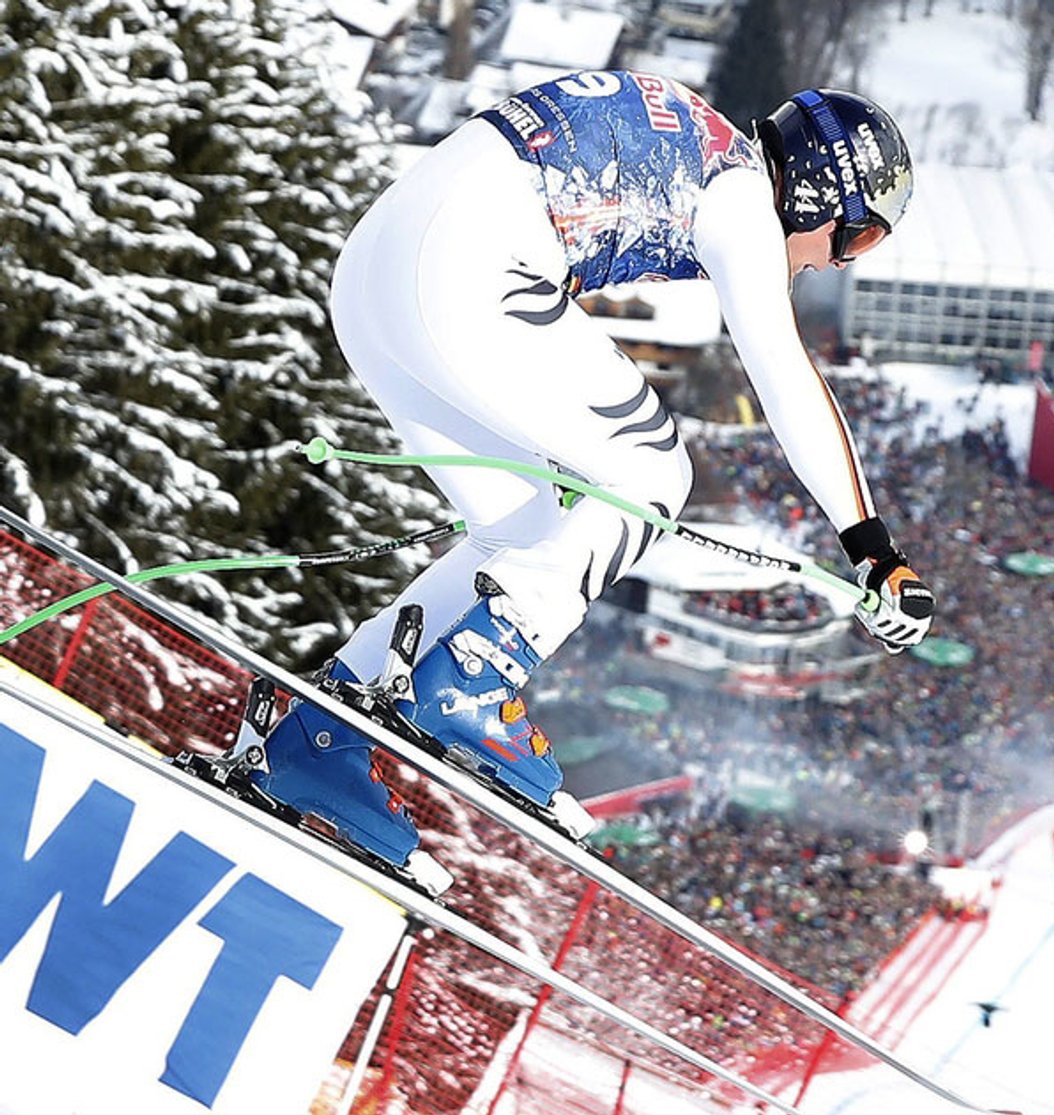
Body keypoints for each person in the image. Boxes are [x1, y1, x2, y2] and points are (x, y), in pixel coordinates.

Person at [253, 71, 935, 882]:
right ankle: (475, 678)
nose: (833, 266)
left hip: (374, 271)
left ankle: (313, 740)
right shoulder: (745, 197)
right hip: (464, 270)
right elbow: (785, 378)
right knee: (651, 467)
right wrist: (872, 546)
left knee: (526, 529)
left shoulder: (705, 140)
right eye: (855, 240)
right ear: (823, 195)